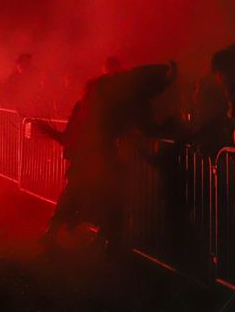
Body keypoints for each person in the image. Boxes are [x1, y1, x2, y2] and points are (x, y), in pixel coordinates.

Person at [40, 61, 177, 256]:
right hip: (101, 155)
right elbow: (147, 126)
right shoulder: (128, 95)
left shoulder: (93, 93)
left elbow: (74, 123)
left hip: (83, 154)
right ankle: (108, 242)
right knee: (112, 196)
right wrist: (169, 126)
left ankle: (51, 234)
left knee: (73, 194)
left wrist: (63, 137)